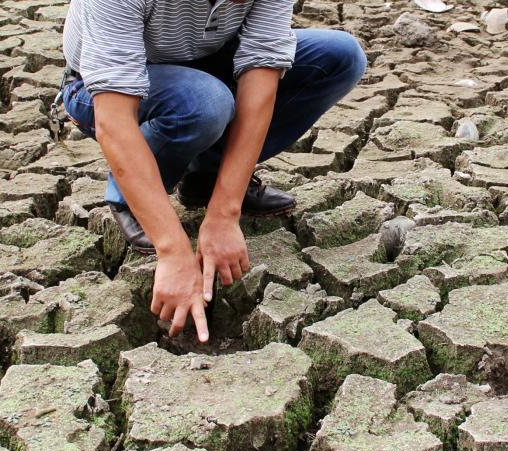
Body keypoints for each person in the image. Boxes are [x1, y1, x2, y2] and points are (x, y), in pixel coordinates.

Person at [61, 0, 367, 343]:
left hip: (209, 62)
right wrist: (173, 251)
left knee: (340, 56)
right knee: (205, 103)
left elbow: (260, 81)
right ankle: (128, 195)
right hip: (101, 85)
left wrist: (225, 211)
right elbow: (114, 120)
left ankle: (207, 178)